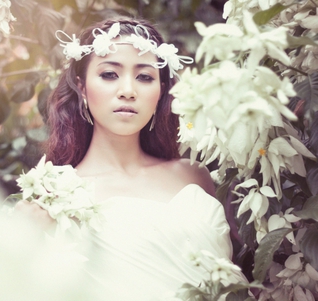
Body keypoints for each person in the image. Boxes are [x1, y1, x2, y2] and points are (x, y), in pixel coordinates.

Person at [16, 16, 247, 300]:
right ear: (82, 87)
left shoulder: (194, 175)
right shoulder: (54, 196)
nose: (128, 90)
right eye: (109, 74)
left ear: (162, 90)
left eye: (145, 77)